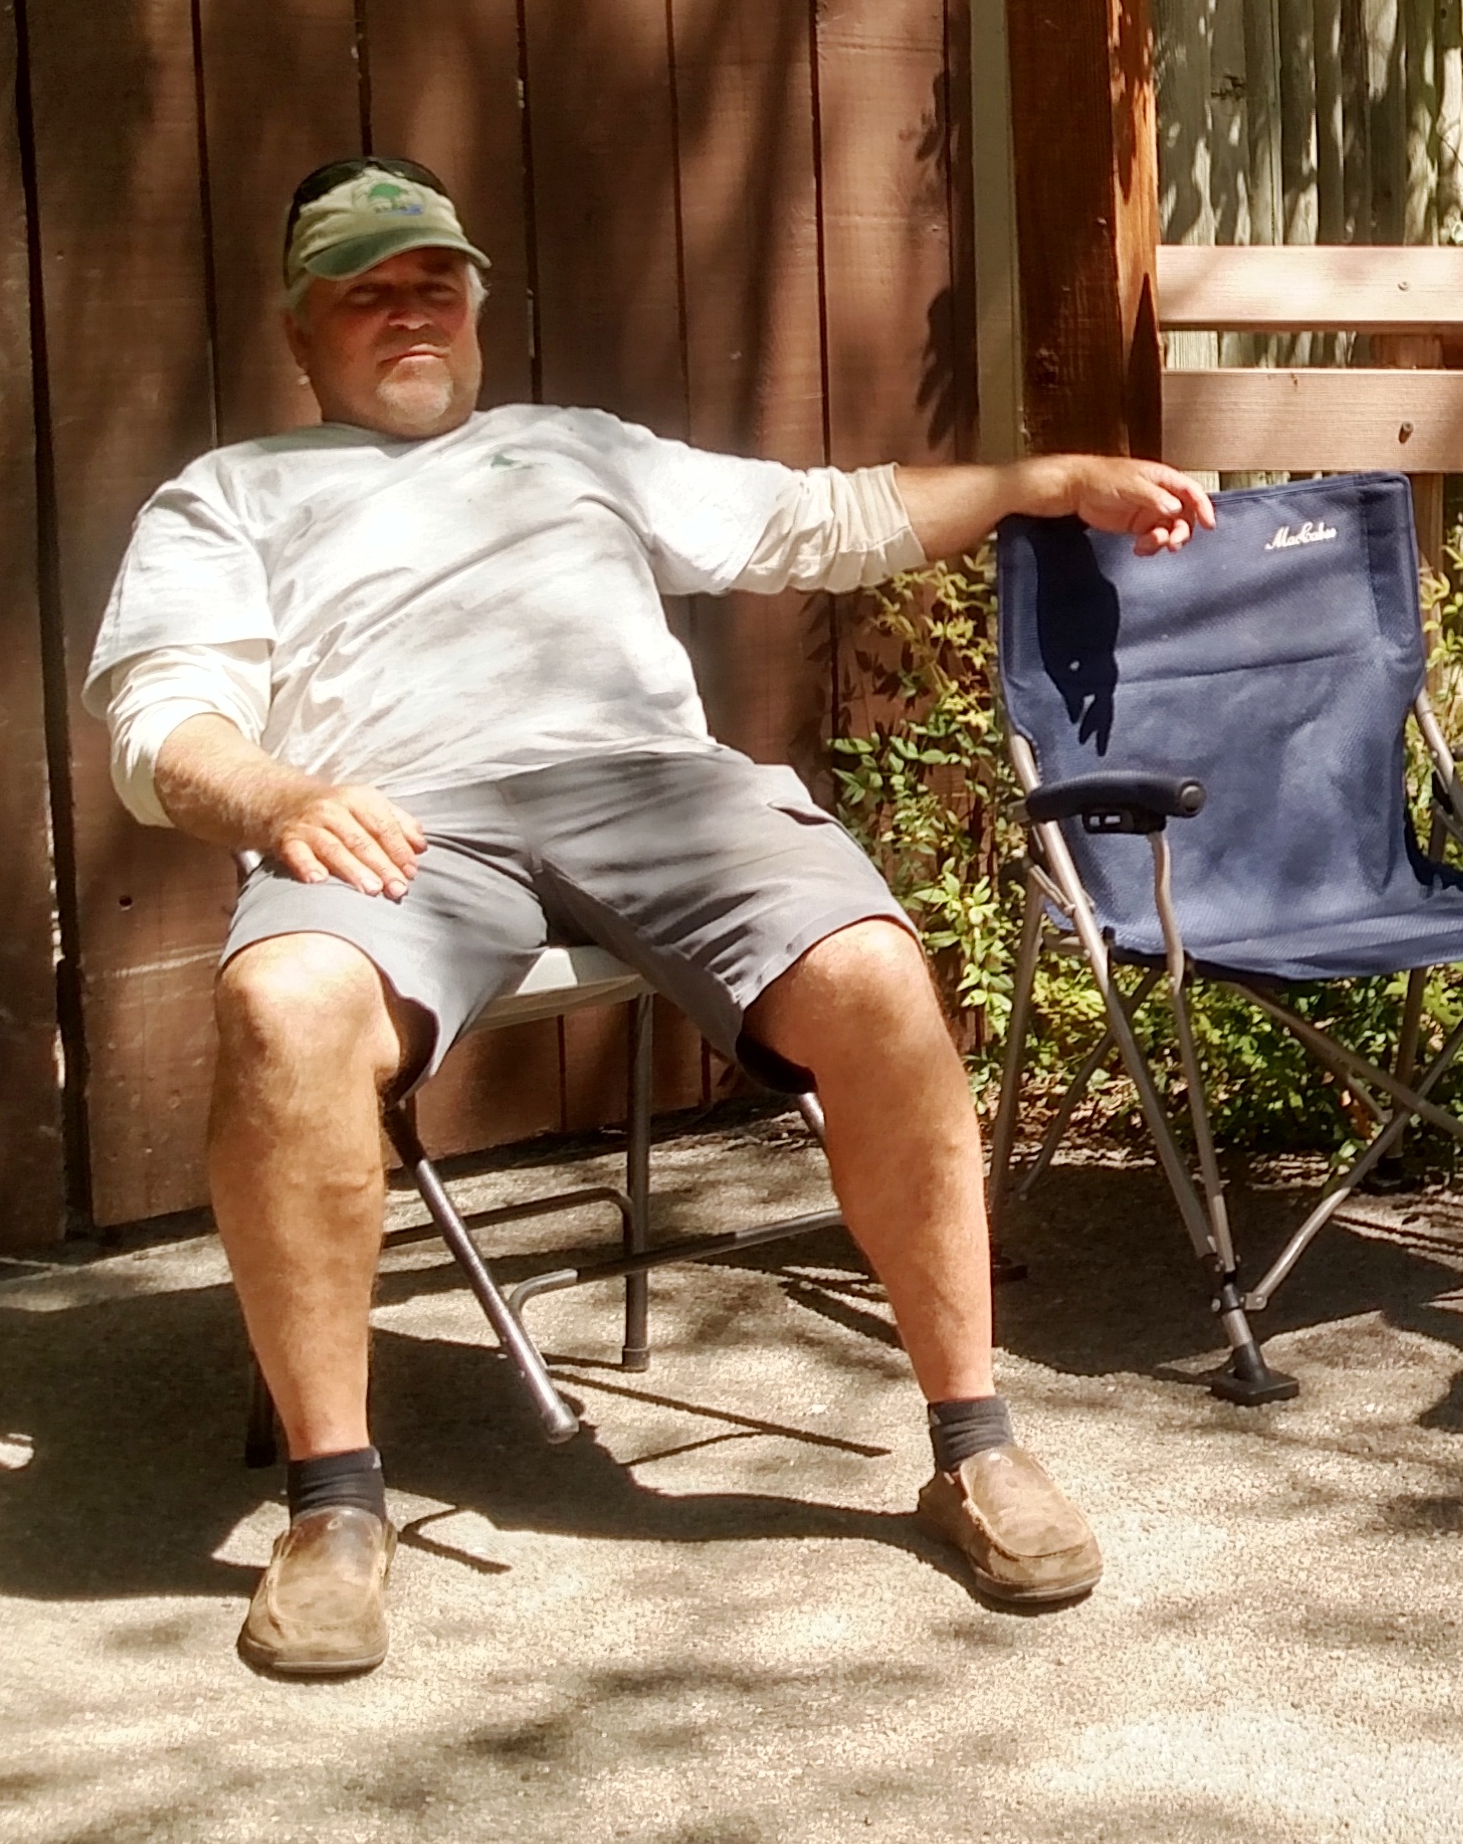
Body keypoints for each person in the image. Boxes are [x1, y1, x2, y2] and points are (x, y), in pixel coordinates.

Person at [88, 154, 1215, 1679]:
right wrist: (281, 800)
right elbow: (166, 725)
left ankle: (973, 1440)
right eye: (364, 292)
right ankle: (333, 1502)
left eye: (433, 282)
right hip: (394, 810)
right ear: (301, 332)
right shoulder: (231, 492)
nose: (405, 310)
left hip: (654, 792)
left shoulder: (570, 446)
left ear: (477, 307)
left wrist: (1037, 479)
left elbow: (825, 522)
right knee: (281, 1007)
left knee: (877, 973)